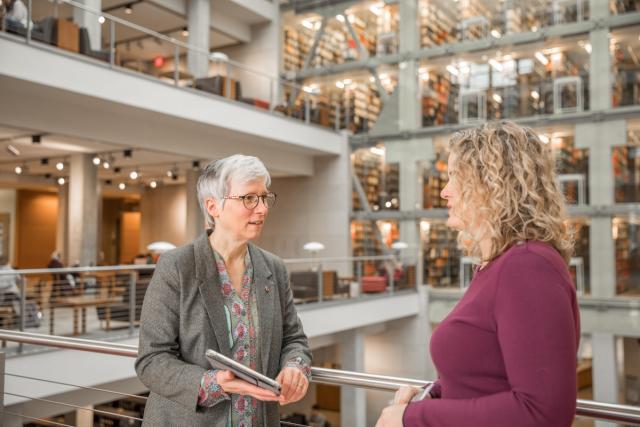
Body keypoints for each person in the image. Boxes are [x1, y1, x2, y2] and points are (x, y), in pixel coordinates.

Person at [376, 122, 580, 427]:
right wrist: (432, 395)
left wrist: (411, 418)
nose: (444, 192)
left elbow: (542, 412)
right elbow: (485, 373)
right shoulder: (501, 266)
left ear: (489, 183)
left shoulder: (527, 266)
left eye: (454, 177)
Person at [135, 154, 312, 426]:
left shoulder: (274, 268)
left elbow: (294, 338)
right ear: (213, 206)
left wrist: (295, 366)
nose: (262, 208)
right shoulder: (176, 266)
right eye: (249, 198)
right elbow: (152, 360)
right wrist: (213, 382)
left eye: (264, 198)